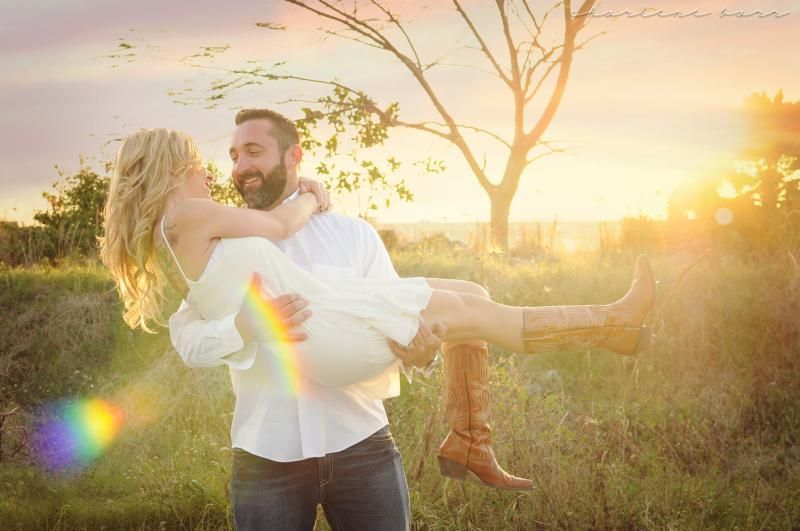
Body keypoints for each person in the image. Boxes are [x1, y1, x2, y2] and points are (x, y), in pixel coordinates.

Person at [99, 119, 655, 529]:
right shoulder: (209, 223)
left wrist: (421, 352)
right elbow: (195, 333)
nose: (228, 168)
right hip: (272, 445)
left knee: (470, 295)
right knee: (475, 313)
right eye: (219, 157)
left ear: (292, 155)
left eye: (251, 151)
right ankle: (611, 326)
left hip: (357, 436)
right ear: (173, 167)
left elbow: (398, 324)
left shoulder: (339, 234)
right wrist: (246, 330)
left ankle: (470, 440)